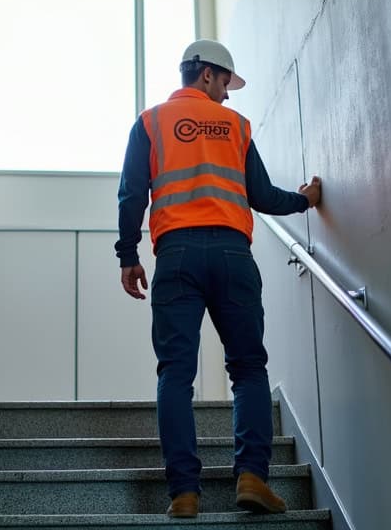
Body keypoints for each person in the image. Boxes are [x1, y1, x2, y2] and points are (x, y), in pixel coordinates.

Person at [115, 39, 322, 518]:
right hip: (232, 256)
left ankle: (184, 493)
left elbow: (130, 195)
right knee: (248, 369)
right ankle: (252, 477)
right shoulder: (238, 126)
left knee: (175, 373)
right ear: (207, 74)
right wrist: (307, 199)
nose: (229, 94)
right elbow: (264, 196)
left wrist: (128, 255)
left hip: (176, 258)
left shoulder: (149, 122)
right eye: (227, 81)